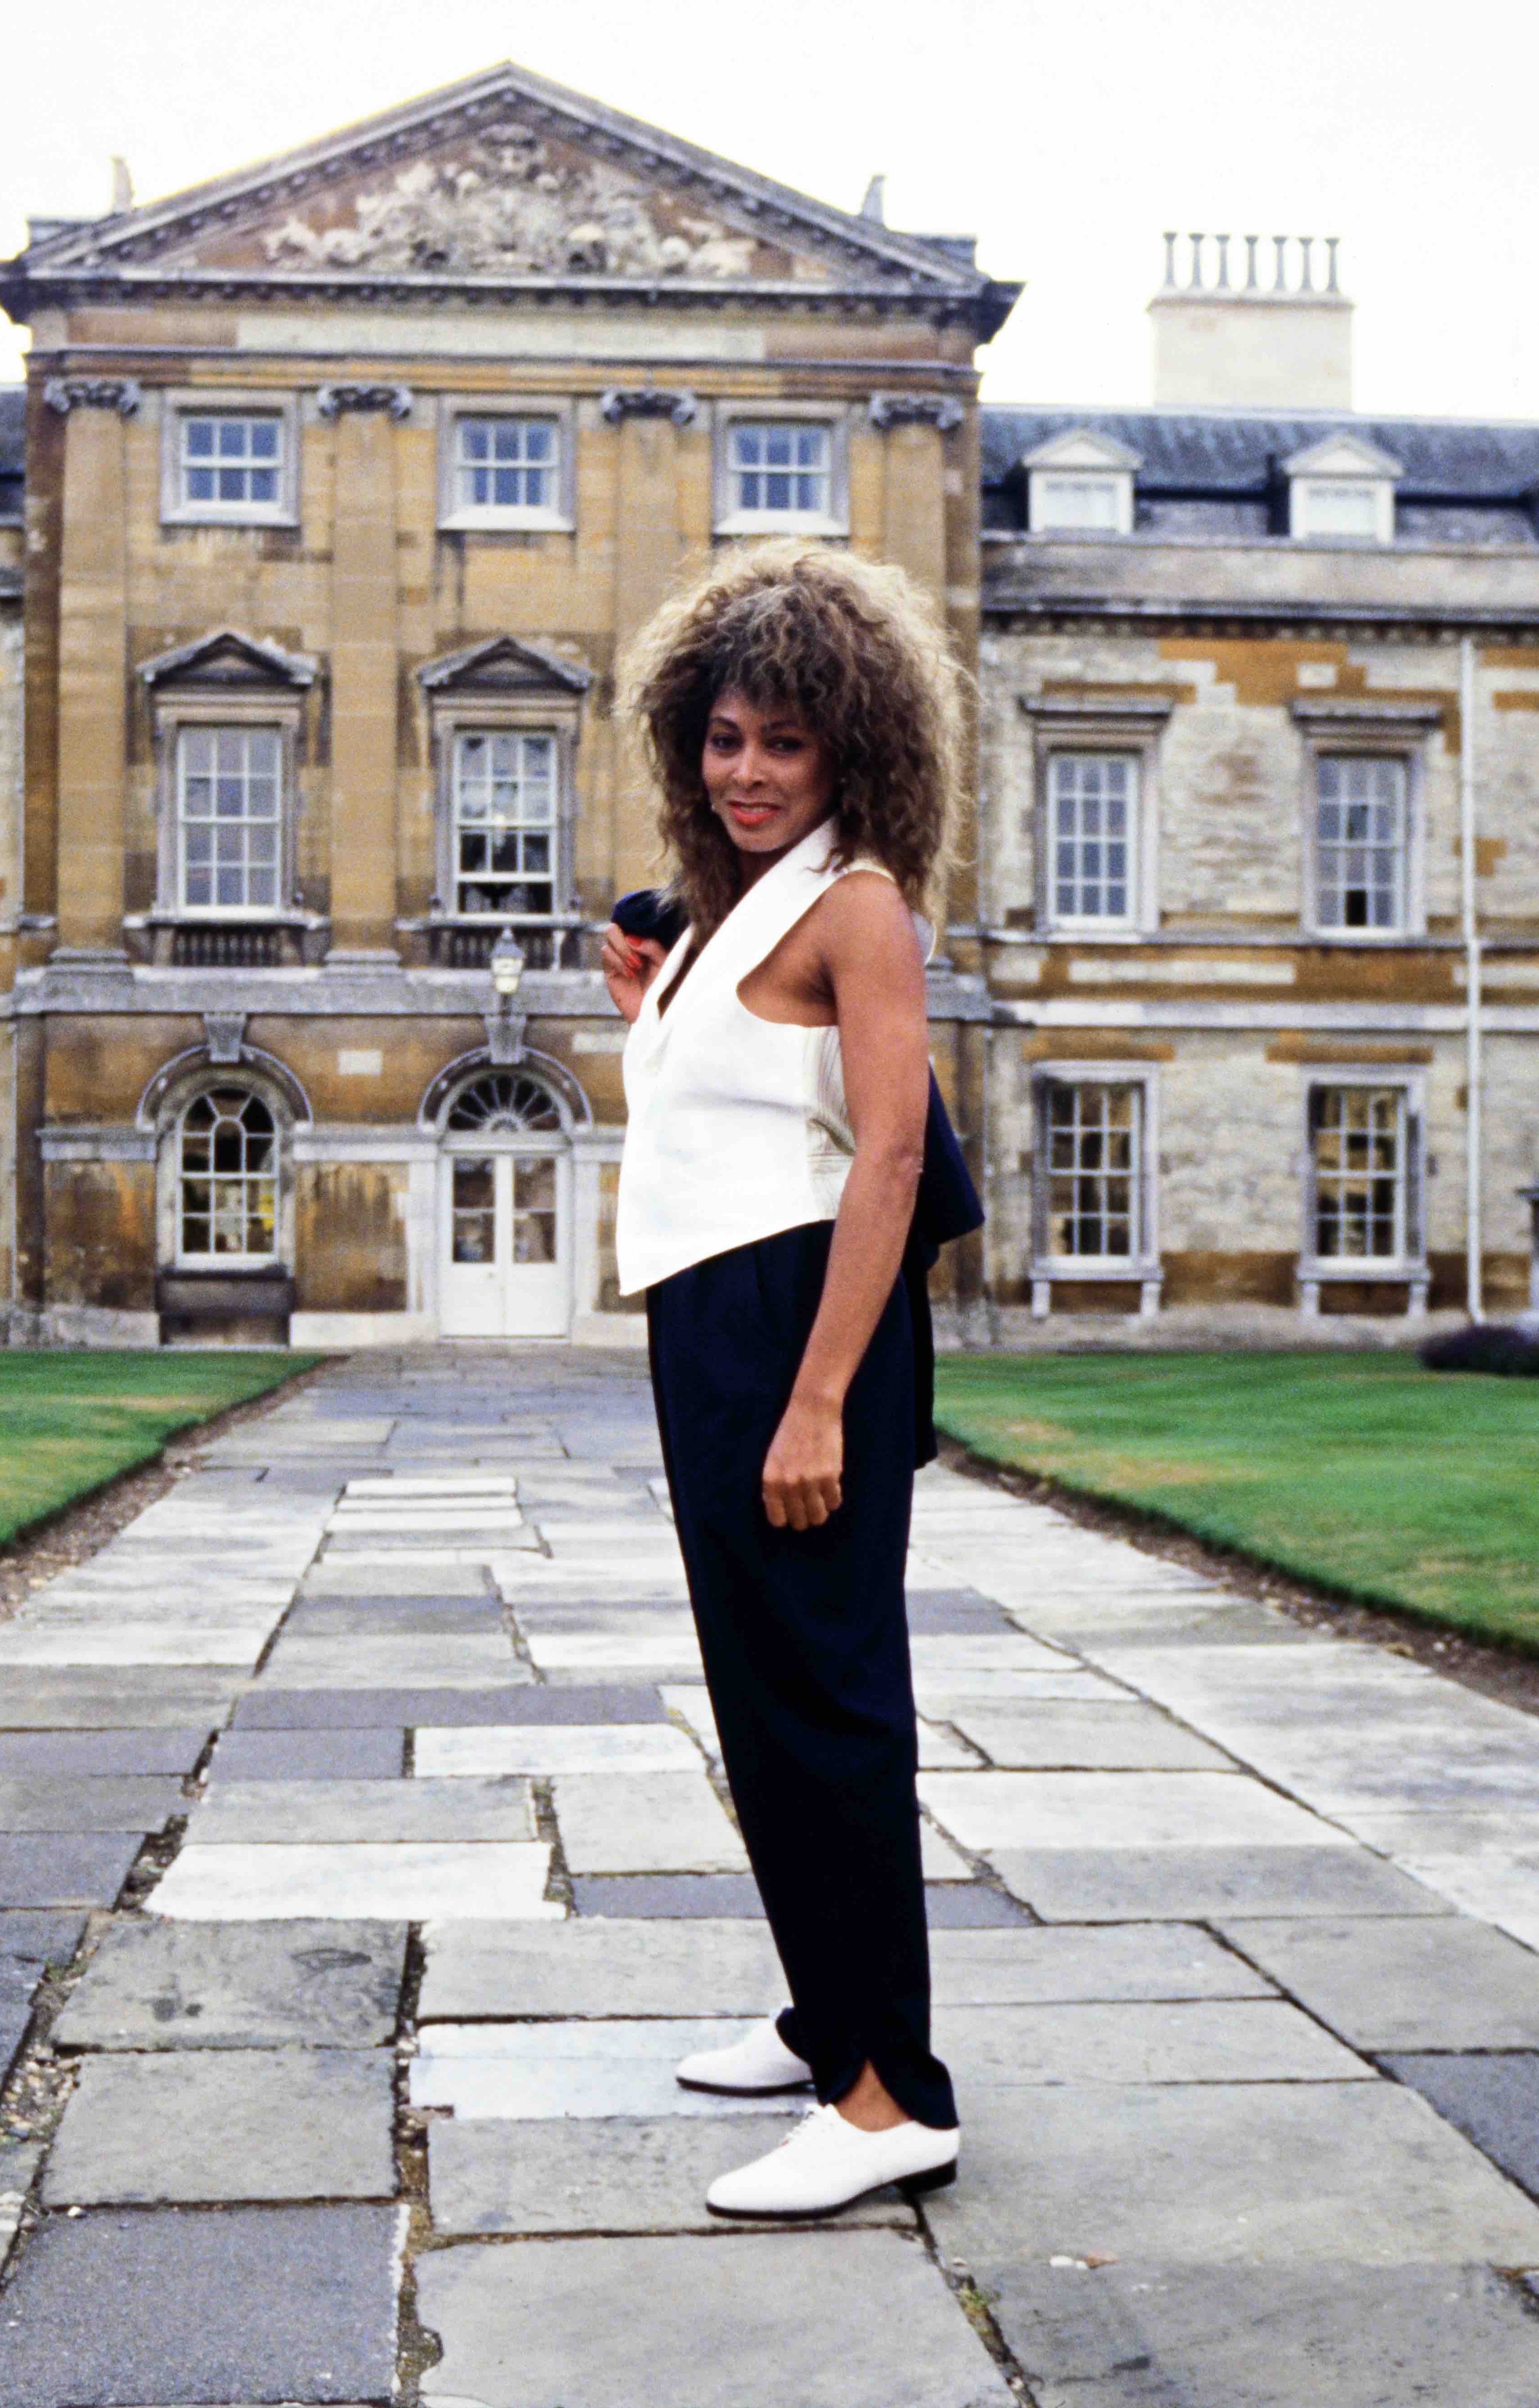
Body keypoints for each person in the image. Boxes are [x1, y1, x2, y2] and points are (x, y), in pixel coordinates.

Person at [601, 542, 966, 2220]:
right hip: (717, 1322)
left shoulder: (858, 907)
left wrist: (820, 1399)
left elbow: (888, 1162)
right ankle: (828, 2020)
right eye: (724, 739)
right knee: (759, 1697)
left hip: (802, 1331)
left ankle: (893, 2099)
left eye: (784, 745)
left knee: (826, 1705)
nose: (745, 773)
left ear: (851, 751)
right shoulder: (730, 915)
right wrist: (652, 1008)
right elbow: (714, 1132)